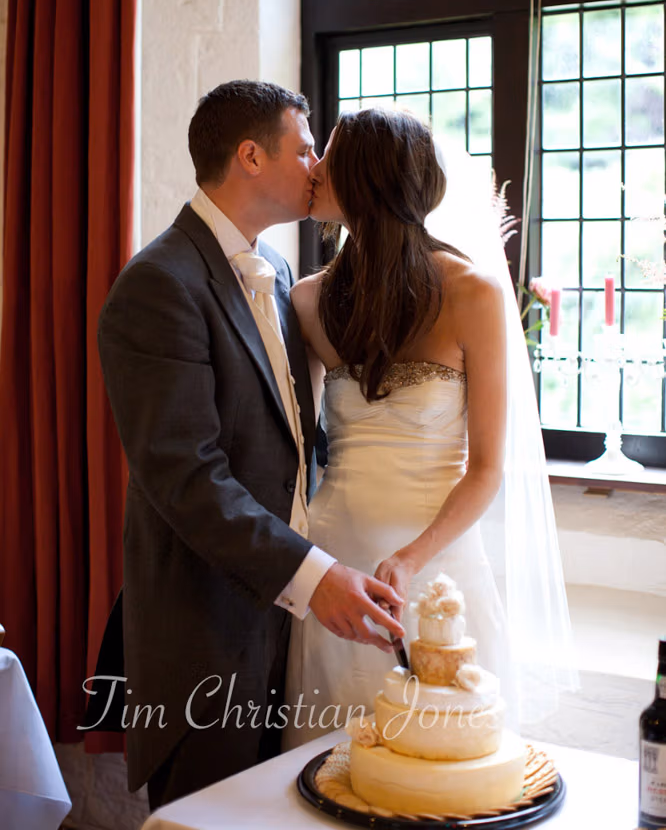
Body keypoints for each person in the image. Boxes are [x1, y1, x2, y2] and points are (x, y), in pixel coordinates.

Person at [95, 81, 404, 809]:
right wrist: (313, 575)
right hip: (206, 631)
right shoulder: (158, 284)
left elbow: (293, 437)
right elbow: (186, 477)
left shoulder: (280, 272)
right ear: (251, 157)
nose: (319, 166)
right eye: (306, 149)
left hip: (288, 624)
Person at [283, 107, 577, 749]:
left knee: (443, 763)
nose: (315, 168)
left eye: (330, 154)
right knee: (327, 769)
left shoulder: (474, 292)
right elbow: (294, 446)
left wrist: (412, 558)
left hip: (438, 569)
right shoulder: (306, 300)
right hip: (335, 565)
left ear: (367, 177)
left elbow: (487, 469)